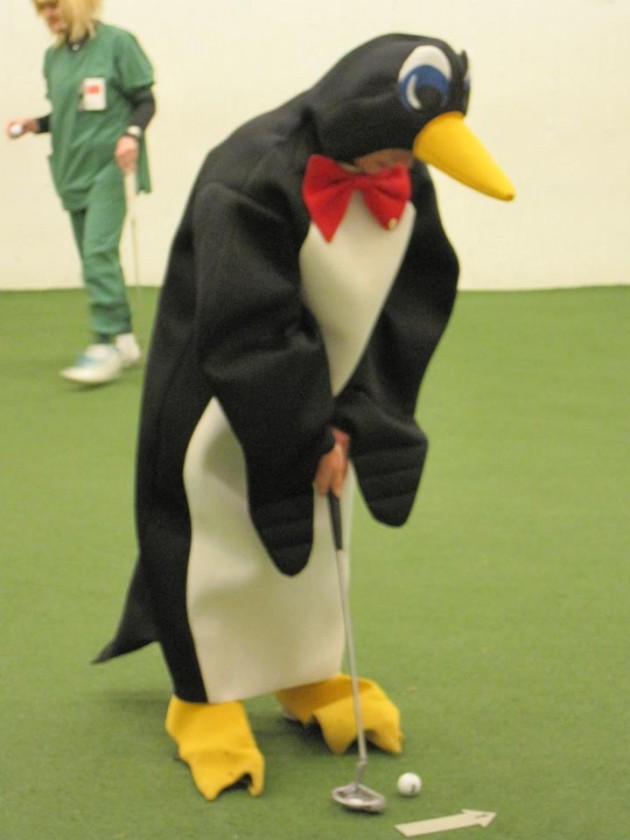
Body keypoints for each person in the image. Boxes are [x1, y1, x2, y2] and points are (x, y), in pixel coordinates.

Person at [96, 34, 514, 800]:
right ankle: (201, 696)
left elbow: (412, 303)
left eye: (409, 157)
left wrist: (359, 415)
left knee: (319, 540)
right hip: (223, 402)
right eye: (395, 150)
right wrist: (305, 428)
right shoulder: (251, 173)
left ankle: (306, 672)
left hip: (329, 402)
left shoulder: (403, 175)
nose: (401, 169)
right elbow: (247, 321)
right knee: (217, 537)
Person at [6, 0, 155, 385]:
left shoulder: (117, 44)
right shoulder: (54, 58)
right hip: (73, 170)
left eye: (54, 6)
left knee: (96, 252)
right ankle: (124, 339)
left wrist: (131, 134)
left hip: (111, 166)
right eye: (42, 10)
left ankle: (103, 343)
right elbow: (65, 114)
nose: (49, 16)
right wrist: (35, 124)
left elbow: (144, 100)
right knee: (95, 258)